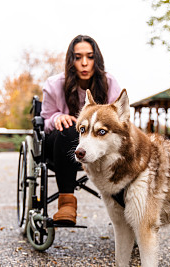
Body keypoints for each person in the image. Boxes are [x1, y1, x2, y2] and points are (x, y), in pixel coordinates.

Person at [41, 35, 122, 225]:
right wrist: (57, 117)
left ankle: (123, 205)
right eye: (78, 58)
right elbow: (44, 121)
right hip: (61, 146)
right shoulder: (54, 84)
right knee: (70, 127)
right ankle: (66, 203)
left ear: (97, 59)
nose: (84, 63)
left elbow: (119, 119)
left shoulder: (109, 83)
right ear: (71, 61)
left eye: (90, 57)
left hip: (99, 147)